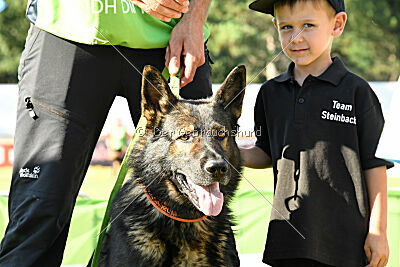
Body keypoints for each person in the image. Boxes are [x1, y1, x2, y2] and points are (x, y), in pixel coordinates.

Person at [0, 0, 215, 265]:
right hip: (67, 30)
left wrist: (195, 18)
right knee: (39, 210)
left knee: (201, 210)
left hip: (173, 38)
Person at [241, 0, 394, 266]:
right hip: (287, 235)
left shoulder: (358, 92)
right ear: (275, 26)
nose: (296, 37)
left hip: (346, 244)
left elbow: (374, 165)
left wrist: (378, 232)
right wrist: (227, 151)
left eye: (308, 25)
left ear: (337, 24)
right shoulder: (269, 93)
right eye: (287, 27)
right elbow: (265, 152)